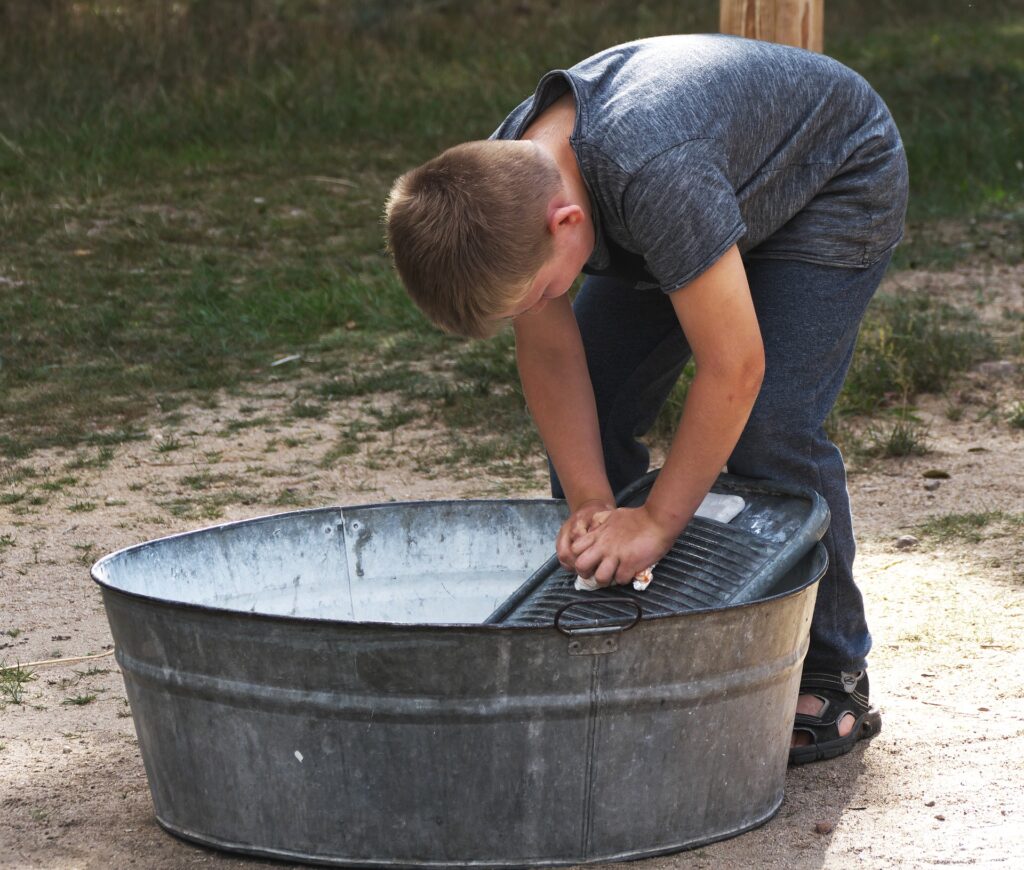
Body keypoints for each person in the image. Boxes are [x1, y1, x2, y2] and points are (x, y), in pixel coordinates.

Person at [384, 34, 908, 764]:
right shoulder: (503, 187)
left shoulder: (652, 173)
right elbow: (550, 350)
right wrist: (593, 506)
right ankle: (628, 618)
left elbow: (736, 367)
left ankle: (831, 665)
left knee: (767, 430)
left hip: (830, 178)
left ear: (565, 224)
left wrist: (660, 519)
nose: (537, 307)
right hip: (696, 196)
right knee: (592, 406)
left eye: (537, 293)